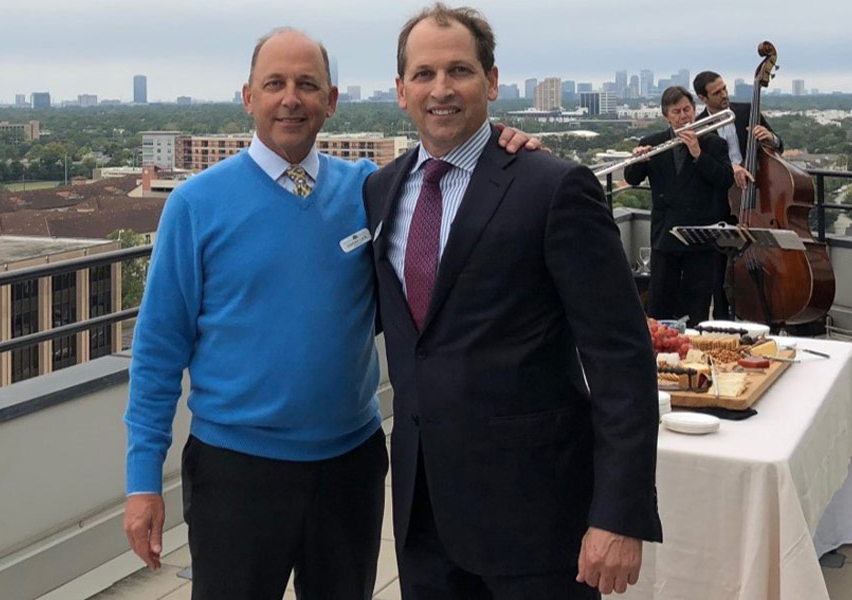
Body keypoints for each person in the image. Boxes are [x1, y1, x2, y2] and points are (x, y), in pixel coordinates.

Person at [122, 27, 539, 599]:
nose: (290, 98)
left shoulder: (370, 191)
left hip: (351, 468)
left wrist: (503, 147)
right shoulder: (196, 205)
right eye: (275, 84)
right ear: (248, 97)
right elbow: (157, 354)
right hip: (236, 473)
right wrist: (143, 481)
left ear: (332, 100)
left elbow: (452, 197)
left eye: (307, 85)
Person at [363, 5, 662, 598]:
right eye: (423, 74)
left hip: (538, 520)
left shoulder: (552, 187)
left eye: (460, 71)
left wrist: (619, 514)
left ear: (492, 82)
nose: (441, 89)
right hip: (424, 515)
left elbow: (621, 359)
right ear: (400, 91)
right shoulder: (380, 190)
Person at [624, 87, 733, 326]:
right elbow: (632, 179)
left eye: (687, 109)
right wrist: (638, 160)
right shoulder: (652, 143)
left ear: (694, 111)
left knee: (698, 308)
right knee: (659, 305)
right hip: (665, 236)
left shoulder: (714, 144)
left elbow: (726, 179)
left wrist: (697, 153)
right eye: (677, 111)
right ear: (666, 116)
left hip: (700, 237)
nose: (684, 116)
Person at [693, 70, 783, 318]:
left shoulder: (746, 112)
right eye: (717, 92)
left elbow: (779, 145)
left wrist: (771, 138)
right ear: (702, 98)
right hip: (721, 202)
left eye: (724, 88)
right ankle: (723, 320)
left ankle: (765, 312)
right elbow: (702, 167)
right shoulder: (698, 127)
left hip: (755, 201)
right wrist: (729, 169)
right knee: (719, 268)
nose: (724, 95)